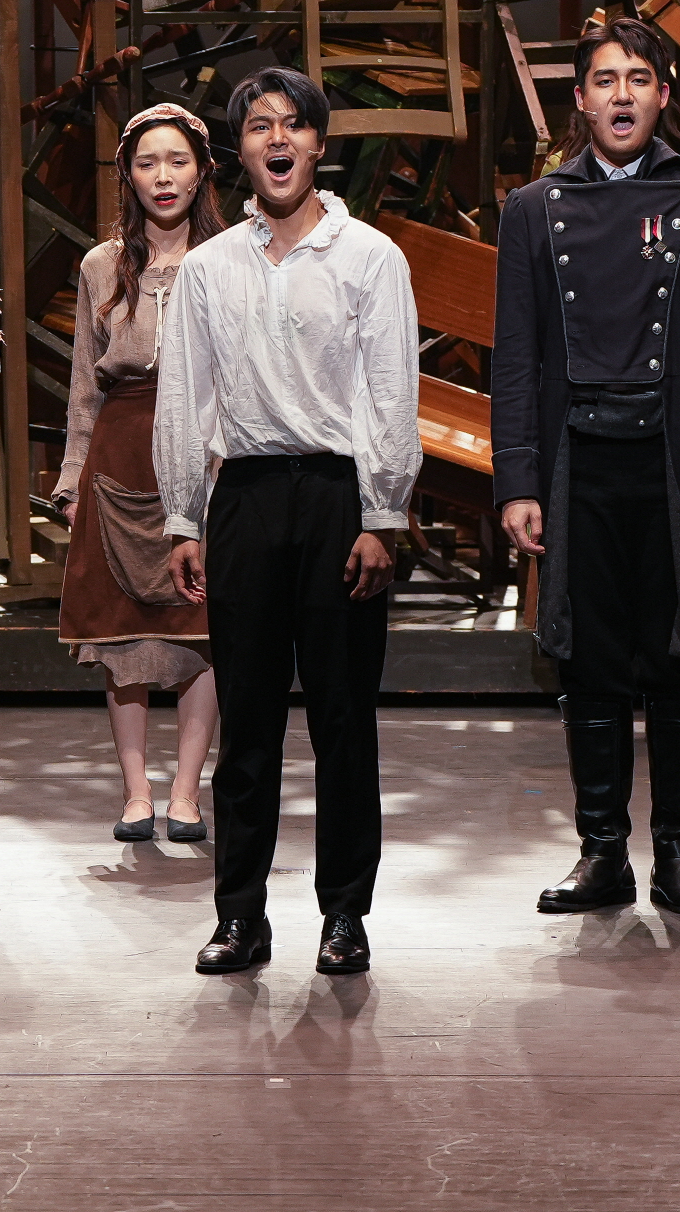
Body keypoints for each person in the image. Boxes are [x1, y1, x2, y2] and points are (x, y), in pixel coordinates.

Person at [490, 21, 680, 916]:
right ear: (580, 100)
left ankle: (677, 853)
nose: (621, 94)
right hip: (578, 466)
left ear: (663, 95)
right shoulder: (533, 209)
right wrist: (517, 480)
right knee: (589, 666)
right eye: (604, 80)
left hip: (676, 465)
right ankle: (602, 851)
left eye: (638, 79)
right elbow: (516, 358)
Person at [159, 70, 420, 979]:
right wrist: (184, 515)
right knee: (249, 723)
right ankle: (240, 916)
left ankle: (345, 914)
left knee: (344, 718)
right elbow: (184, 396)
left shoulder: (370, 257)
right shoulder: (208, 268)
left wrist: (382, 512)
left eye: (294, 125)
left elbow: (391, 391)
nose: (278, 139)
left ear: (318, 144)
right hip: (246, 497)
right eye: (259, 126)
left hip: (339, 496)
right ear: (239, 151)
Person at [54, 102, 226, 842]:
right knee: (121, 634)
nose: (164, 176)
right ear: (127, 173)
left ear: (202, 170)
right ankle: (135, 792)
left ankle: (186, 792)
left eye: (178, 161)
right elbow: (83, 384)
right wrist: (71, 480)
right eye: (148, 162)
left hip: (207, 453)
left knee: (201, 630)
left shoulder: (230, 257)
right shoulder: (100, 265)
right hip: (121, 450)